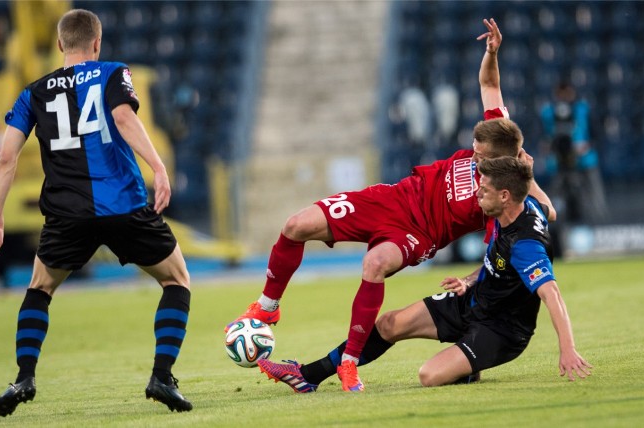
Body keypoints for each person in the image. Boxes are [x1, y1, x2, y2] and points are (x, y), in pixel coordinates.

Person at [226, 18, 556, 392]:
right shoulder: (499, 131)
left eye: (480, 157)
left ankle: (348, 363)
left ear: (501, 164)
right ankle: (268, 307)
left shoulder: (499, 197)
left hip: (420, 233)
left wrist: (540, 196)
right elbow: (489, 85)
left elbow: (521, 217)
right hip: (393, 198)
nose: (473, 156)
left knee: (375, 264)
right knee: (296, 224)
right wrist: (492, 52)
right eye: (474, 151)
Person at [0, 9, 193, 416]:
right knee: (176, 279)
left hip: (66, 212)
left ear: (60, 44)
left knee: (39, 289)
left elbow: (5, 159)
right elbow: (122, 116)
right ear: (97, 43)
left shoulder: (33, 92)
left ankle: (24, 377)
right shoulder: (113, 72)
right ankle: (162, 377)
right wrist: (159, 166)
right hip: (123, 204)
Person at [258, 156, 592, 392]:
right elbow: (508, 253)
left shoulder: (526, 245)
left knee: (429, 375)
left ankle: (467, 365)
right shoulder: (525, 207)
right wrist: (469, 280)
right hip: (473, 301)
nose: (477, 193)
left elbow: (551, 293)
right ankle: (308, 375)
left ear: (505, 196)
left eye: (484, 190)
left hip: (502, 329)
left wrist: (567, 348)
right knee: (389, 324)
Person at [540, 80, 609, 224]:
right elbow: (543, 138)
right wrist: (548, 147)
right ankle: (554, 224)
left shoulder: (583, 109)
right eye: (561, 94)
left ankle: (600, 222)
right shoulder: (547, 112)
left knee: (593, 193)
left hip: (584, 159)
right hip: (559, 161)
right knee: (556, 194)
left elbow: (596, 133)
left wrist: (586, 146)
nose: (564, 97)